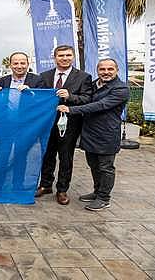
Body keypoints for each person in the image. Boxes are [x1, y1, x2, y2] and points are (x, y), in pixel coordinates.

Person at [58, 58, 129, 211]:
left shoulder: (120, 89)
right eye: (102, 69)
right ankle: (97, 191)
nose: (106, 72)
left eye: (110, 69)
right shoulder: (94, 84)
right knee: (94, 166)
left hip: (107, 135)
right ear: (98, 70)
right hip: (90, 133)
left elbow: (100, 105)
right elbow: (84, 97)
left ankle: (104, 198)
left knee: (106, 167)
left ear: (117, 70)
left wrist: (71, 110)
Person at [34, 45, 92, 205]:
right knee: (47, 155)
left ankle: (62, 189)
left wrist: (70, 96)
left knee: (66, 157)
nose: (64, 58)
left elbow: (87, 99)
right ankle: (46, 185)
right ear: (55, 57)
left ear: (73, 57)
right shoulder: (44, 76)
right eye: (61, 55)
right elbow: (38, 98)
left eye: (68, 55)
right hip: (47, 123)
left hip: (70, 124)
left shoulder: (83, 77)